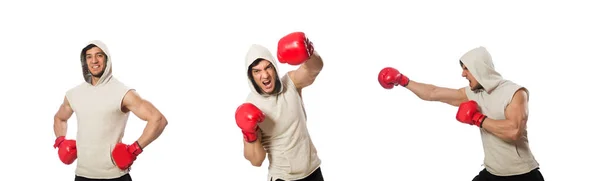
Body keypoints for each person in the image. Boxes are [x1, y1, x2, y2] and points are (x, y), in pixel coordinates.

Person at [377, 46, 544, 181]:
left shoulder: (514, 92)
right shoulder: (475, 93)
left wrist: (478, 118)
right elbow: (433, 93)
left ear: (480, 69)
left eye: (467, 69)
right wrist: (403, 80)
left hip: (523, 175)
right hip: (492, 173)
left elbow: (514, 131)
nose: (463, 74)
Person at [53, 40, 169, 181]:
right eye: (89, 56)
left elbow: (158, 119)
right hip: (82, 175)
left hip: (115, 176)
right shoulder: (74, 94)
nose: (94, 60)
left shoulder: (123, 92)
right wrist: (60, 141)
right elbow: (60, 118)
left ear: (107, 59)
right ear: (85, 61)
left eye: (99, 55)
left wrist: (134, 149)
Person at [234, 32, 325, 181]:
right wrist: (248, 133)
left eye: (267, 67)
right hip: (283, 177)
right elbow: (256, 160)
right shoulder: (251, 106)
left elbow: (315, 69)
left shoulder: (291, 83)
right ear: (251, 76)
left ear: (274, 67)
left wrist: (309, 52)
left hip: (313, 171)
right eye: (257, 71)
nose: (265, 75)